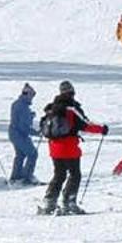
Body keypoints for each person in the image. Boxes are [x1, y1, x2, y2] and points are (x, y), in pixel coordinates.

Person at [38, 81, 106, 216]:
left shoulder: (51, 108)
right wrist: (102, 129)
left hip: (54, 147)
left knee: (59, 174)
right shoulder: (72, 109)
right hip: (69, 147)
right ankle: (69, 201)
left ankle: (49, 201)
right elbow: (86, 125)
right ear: (72, 92)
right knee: (75, 175)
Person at [6, 84, 39, 186]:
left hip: (13, 133)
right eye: (32, 95)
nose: (32, 98)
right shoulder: (23, 107)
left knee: (20, 155)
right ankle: (27, 177)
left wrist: (30, 116)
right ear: (27, 94)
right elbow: (23, 126)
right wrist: (36, 132)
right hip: (20, 135)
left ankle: (16, 176)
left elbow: (18, 119)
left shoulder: (17, 103)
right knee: (32, 154)